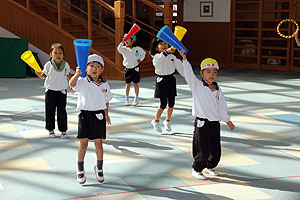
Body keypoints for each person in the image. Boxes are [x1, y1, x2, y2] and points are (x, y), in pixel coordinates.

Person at [178, 50, 235, 180]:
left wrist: (227, 120)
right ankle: (196, 169)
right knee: (202, 149)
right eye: (208, 72)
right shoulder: (197, 86)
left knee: (215, 151)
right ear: (202, 73)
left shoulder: (218, 90)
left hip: (215, 123)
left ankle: (210, 166)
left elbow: (222, 106)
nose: (212, 75)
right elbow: (188, 75)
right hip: (202, 123)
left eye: (214, 72)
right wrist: (184, 59)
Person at [69, 54, 112, 184]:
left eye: (98, 66)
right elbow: (71, 84)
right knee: (84, 143)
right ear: (86, 68)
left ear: (102, 69)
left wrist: (106, 114)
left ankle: (99, 168)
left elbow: (106, 101)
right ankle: (80, 169)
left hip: (99, 116)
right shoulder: (82, 81)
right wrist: (77, 74)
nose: (94, 69)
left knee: (99, 143)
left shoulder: (105, 85)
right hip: (84, 116)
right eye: (91, 66)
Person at [35, 43, 71, 139]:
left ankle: (63, 130)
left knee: (62, 111)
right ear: (51, 54)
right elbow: (43, 76)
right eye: (55, 53)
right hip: (50, 91)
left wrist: (72, 85)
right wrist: (39, 74)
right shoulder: (48, 65)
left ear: (63, 55)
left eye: (60, 53)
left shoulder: (66, 65)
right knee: (50, 111)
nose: (58, 55)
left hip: (62, 92)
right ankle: (50, 129)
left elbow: (68, 76)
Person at [149, 38, 184, 132]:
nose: (164, 45)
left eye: (166, 43)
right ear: (156, 48)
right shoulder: (156, 57)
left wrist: (188, 75)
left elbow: (180, 67)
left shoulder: (172, 57)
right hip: (161, 81)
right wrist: (167, 52)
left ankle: (167, 121)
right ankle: (156, 121)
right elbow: (160, 59)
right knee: (163, 104)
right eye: (161, 44)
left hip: (171, 80)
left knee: (171, 103)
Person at [117, 34, 146, 106]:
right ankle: (126, 98)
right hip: (127, 69)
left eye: (128, 39)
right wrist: (122, 42)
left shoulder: (138, 49)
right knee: (128, 84)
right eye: (125, 39)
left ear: (132, 40)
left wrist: (140, 59)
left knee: (136, 83)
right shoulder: (124, 49)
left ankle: (136, 98)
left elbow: (144, 54)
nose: (126, 41)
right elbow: (119, 49)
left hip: (135, 68)